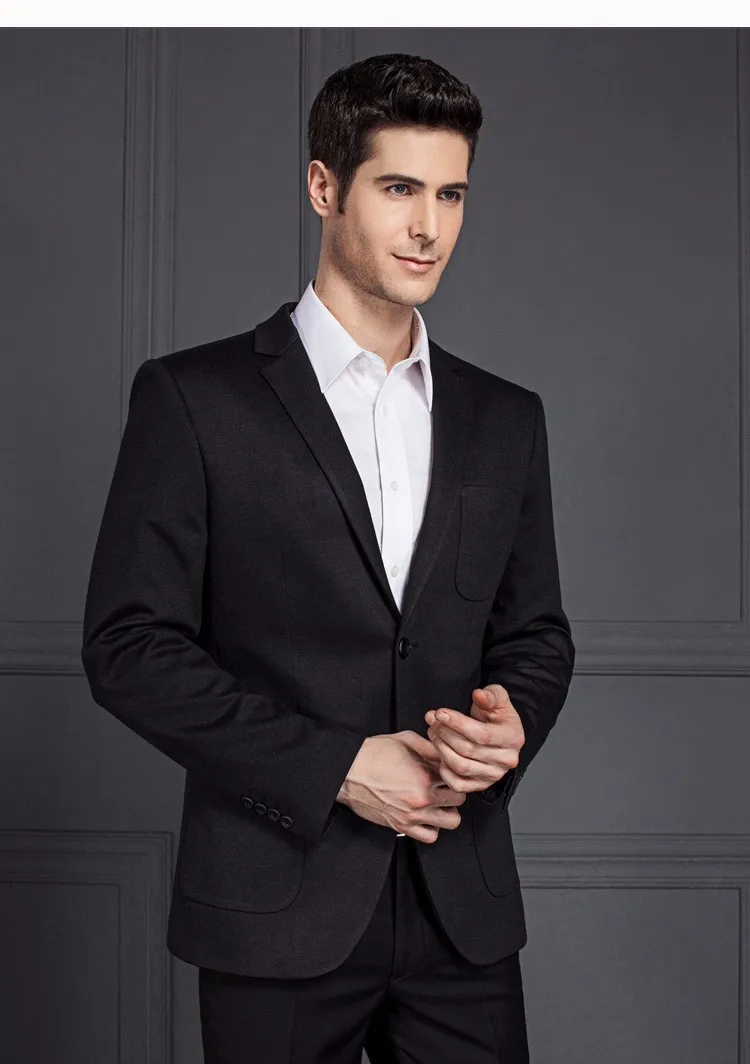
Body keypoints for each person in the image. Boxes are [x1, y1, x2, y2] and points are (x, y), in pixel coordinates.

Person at [81, 51, 575, 1064]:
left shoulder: (506, 418)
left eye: (450, 195)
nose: (429, 226)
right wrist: (339, 768)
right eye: (399, 188)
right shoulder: (194, 399)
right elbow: (128, 646)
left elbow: (535, 634)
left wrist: (512, 723)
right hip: (274, 903)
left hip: (462, 911)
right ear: (323, 186)